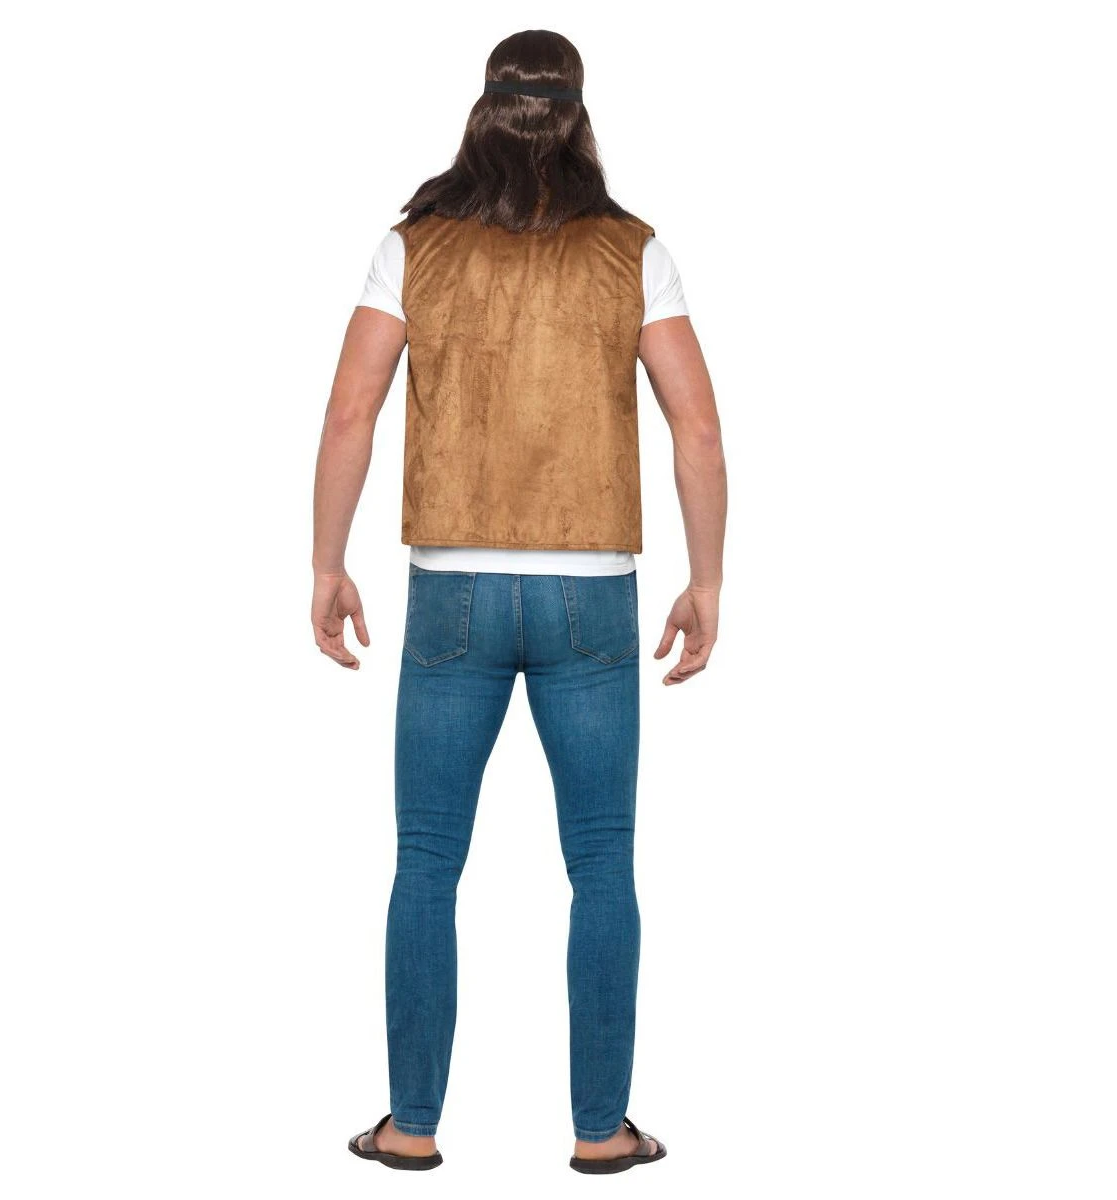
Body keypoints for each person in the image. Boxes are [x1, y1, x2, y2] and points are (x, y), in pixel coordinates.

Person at [311, 29, 726, 1175]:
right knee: (601, 864)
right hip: (594, 599)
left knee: (426, 863)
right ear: (578, 115)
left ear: (482, 109)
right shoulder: (632, 250)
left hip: (451, 591)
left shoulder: (416, 247)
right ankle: (601, 1134)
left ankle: (410, 1128)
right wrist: (706, 579)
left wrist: (327, 562)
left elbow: (349, 414)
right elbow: (696, 426)